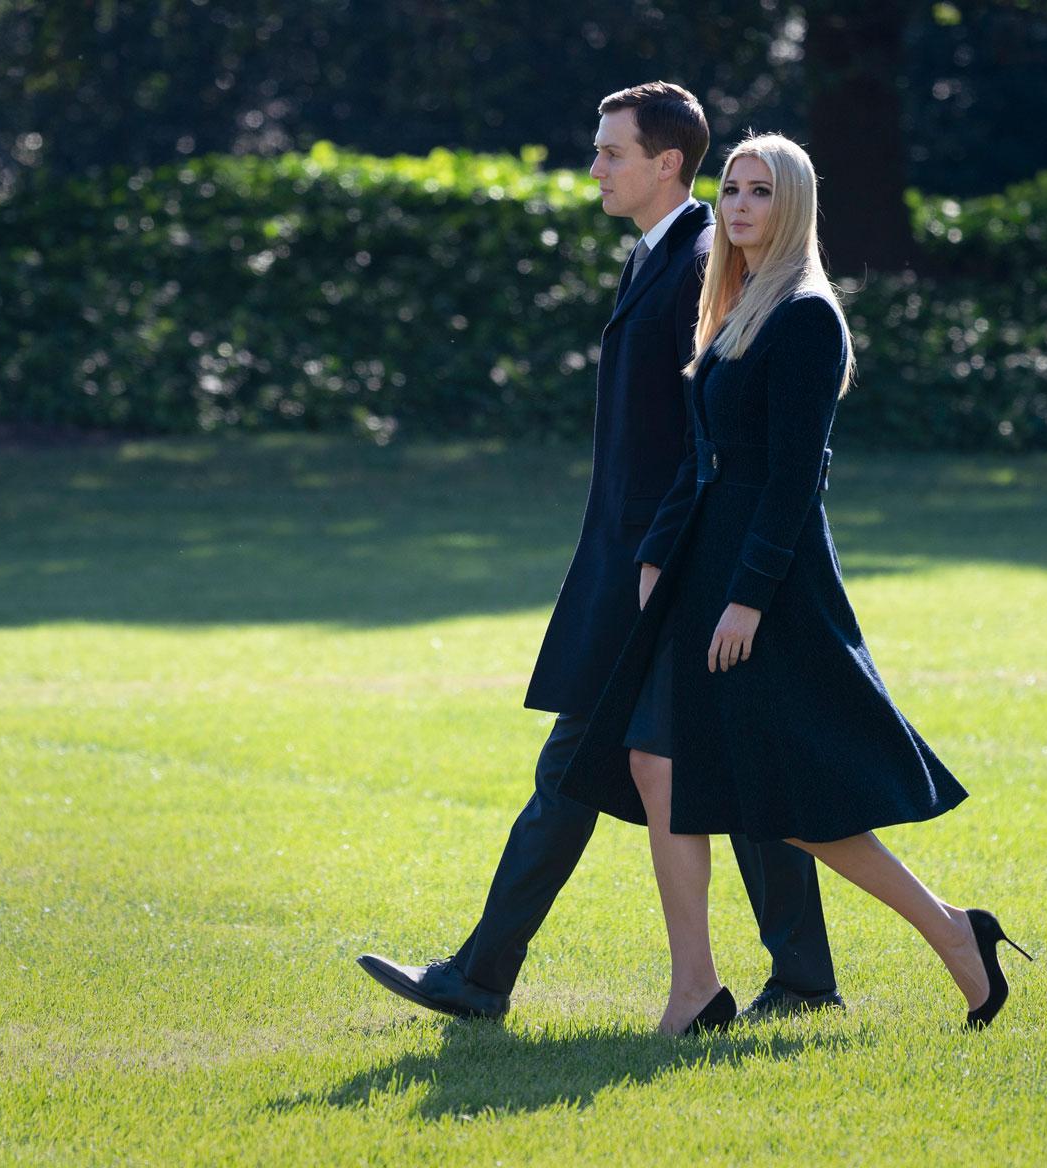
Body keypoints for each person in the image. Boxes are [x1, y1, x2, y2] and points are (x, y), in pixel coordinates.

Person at [358, 87, 845, 1023]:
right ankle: (804, 977)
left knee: (598, 763)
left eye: (611, 153)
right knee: (692, 761)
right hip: (636, 565)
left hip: (660, 575)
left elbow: (726, 443)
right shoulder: (658, 257)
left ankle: (482, 974)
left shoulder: (709, 259)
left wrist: (677, 568)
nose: (595, 168)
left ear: (667, 162)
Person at [560, 133, 1032, 1035]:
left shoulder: (808, 314)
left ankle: (953, 931)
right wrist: (660, 555)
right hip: (702, 565)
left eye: (760, 192)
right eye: (731, 189)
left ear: (796, 206)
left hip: (766, 582)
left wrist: (747, 596)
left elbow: (792, 477)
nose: (737, 206)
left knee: (795, 806)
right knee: (655, 763)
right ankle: (694, 990)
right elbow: (703, 456)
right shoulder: (731, 303)